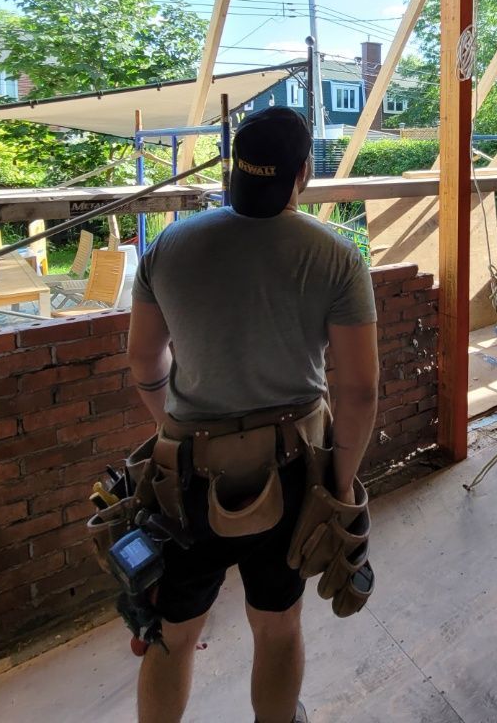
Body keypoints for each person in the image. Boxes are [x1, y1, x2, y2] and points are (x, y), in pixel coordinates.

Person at [126, 106, 380, 723]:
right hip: (291, 473)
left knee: (171, 632)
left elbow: (143, 360)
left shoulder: (169, 246)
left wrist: (171, 431)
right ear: (304, 173)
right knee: (278, 623)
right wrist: (340, 486)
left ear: (234, 168)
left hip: (187, 476)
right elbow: (359, 391)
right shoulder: (336, 256)